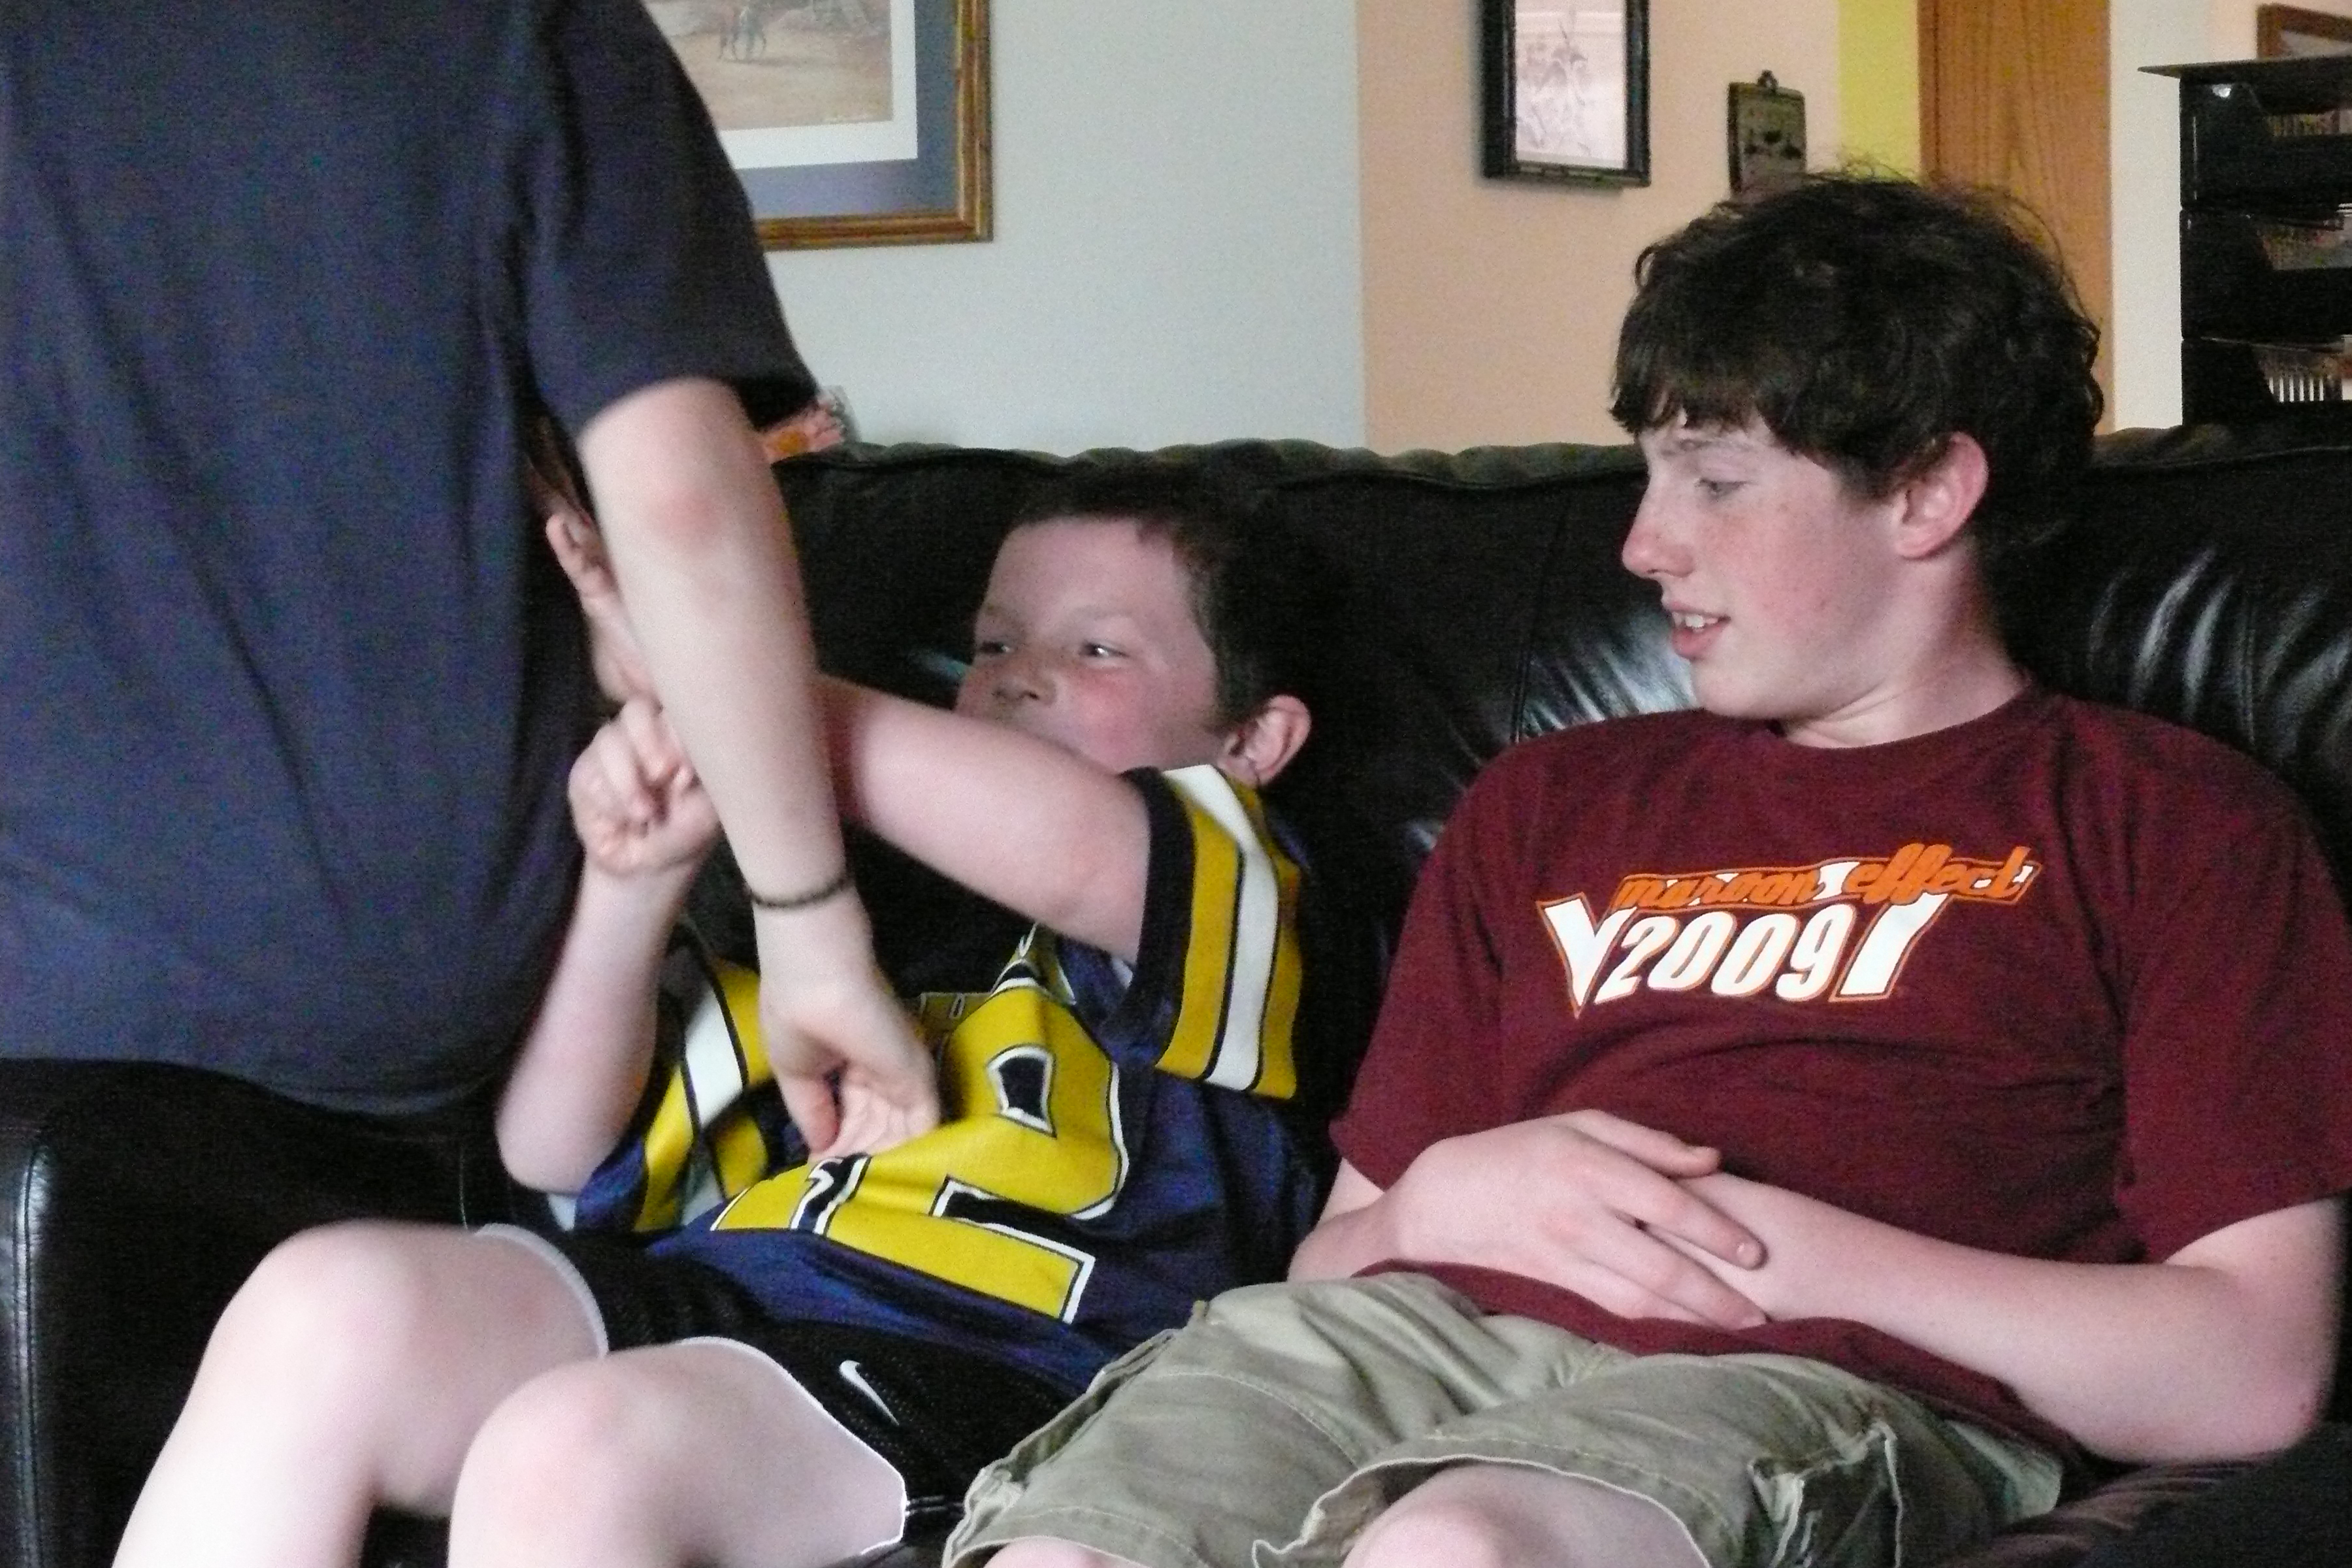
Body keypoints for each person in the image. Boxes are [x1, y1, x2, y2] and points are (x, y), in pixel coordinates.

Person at [944, 174, 2352, 1568]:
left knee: (1457, 1547)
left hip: (1821, 1382)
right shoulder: (1545, 803)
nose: (1643, 544)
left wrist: (1767, 1250)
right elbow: (1336, 1261)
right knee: (1070, 1552)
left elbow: (2254, 1369)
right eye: (1649, 474)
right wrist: (1437, 1202)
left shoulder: (2172, 822)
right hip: (1413, 1334)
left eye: (1716, 483)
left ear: (1928, 492)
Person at [112, 472, 1376, 1568]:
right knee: (328, 1302)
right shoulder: (841, 897)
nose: (1019, 676)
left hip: (1014, 1367)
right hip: (730, 1299)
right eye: (992, 644)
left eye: (1098, 651)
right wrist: (638, 877)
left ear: (1254, 739)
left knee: (575, 1451)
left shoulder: (1263, 886)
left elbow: (1079, 852)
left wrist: (718, 679)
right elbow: (555, 1153)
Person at [1, 0, 928, 1151]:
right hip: (370, 1039)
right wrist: (810, 926)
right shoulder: (518, 30)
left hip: (44, 1007)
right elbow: (681, 500)